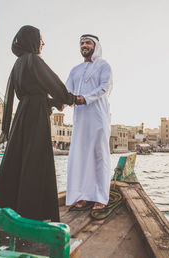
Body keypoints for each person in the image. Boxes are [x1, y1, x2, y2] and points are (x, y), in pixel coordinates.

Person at [0, 25, 75, 222]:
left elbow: (25, 94)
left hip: (23, 114)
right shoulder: (33, 60)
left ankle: (13, 207)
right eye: (41, 39)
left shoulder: (18, 64)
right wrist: (68, 98)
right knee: (36, 159)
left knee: (20, 159)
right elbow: (53, 82)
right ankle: (33, 212)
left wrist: (55, 103)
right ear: (32, 40)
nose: (43, 43)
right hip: (36, 115)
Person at [65, 34, 113, 210]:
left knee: (99, 154)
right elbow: (66, 90)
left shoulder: (104, 66)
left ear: (96, 46)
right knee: (81, 155)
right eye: (82, 43)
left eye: (88, 43)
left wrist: (85, 98)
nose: (84, 46)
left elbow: (104, 88)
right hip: (80, 119)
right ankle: (82, 195)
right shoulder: (75, 70)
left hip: (98, 116)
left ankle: (101, 197)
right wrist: (59, 103)